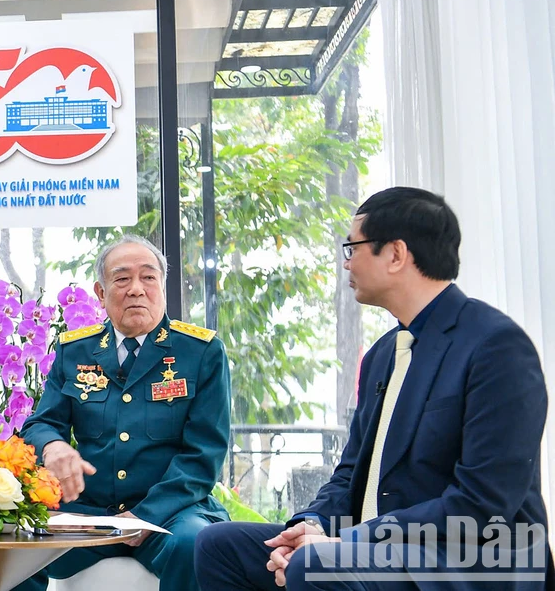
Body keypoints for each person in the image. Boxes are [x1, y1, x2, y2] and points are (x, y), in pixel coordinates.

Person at [195, 187, 549, 590]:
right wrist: (309, 526)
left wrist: (346, 540)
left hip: (472, 556)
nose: (347, 263)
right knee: (218, 544)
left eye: (353, 248)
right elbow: (350, 474)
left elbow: (484, 503)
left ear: (395, 254)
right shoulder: (385, 353)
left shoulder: (495, 346)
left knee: (315, 564)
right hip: (374, 548)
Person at [16, 234, 231, 591]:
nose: (136, 289)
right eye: (122, 278)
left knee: (194, 546)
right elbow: (41, 423)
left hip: (173, 513)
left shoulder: (201, 352)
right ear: (100, 293)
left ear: (162, 286)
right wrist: (52, 446)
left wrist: (143, 517)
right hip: (91, 513)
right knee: (17, 540)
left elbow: (203, 456)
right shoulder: (75, 351)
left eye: (148, 277)